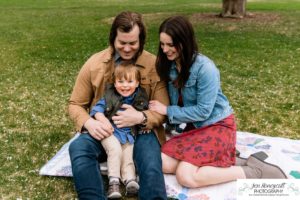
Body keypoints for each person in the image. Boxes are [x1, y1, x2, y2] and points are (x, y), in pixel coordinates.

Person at [149, 15, 287, 188]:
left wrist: (168, 111)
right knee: (162, 162)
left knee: (185, 176)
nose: (165, 49)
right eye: (162, 44)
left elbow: (203, 111)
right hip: (197, 129)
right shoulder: (169, 66)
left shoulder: (205, 68)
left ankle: (254, 172)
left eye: (170, 45)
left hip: (218, 125)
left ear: (185, 41)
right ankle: (228, 159)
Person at [68, 11, 169, 199]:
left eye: (133, 43)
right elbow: (75, 104)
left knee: (150, 163)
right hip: (105, 131)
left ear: (142, 41)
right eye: (122, 43)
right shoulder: (94, 63)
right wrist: (90, 123)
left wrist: (142, 117)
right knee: (78, 148)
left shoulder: (154, 65)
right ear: (113, 39)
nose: (128, 48)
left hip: (141, 131)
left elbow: (164, 109)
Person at [89, 63, 148, 198]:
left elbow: (143, 115)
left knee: (128, 156)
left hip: (128, 134)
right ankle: (114, 182)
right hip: (110, 132)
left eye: (130, 81)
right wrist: (103, 121)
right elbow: (96, 110)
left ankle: (130, 181)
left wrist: (143, 126)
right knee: (115, 150)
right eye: (120, 81)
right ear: (115, 83)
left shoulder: (139, 98)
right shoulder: (110, 96)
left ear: (137, 83)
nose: (125, 85)